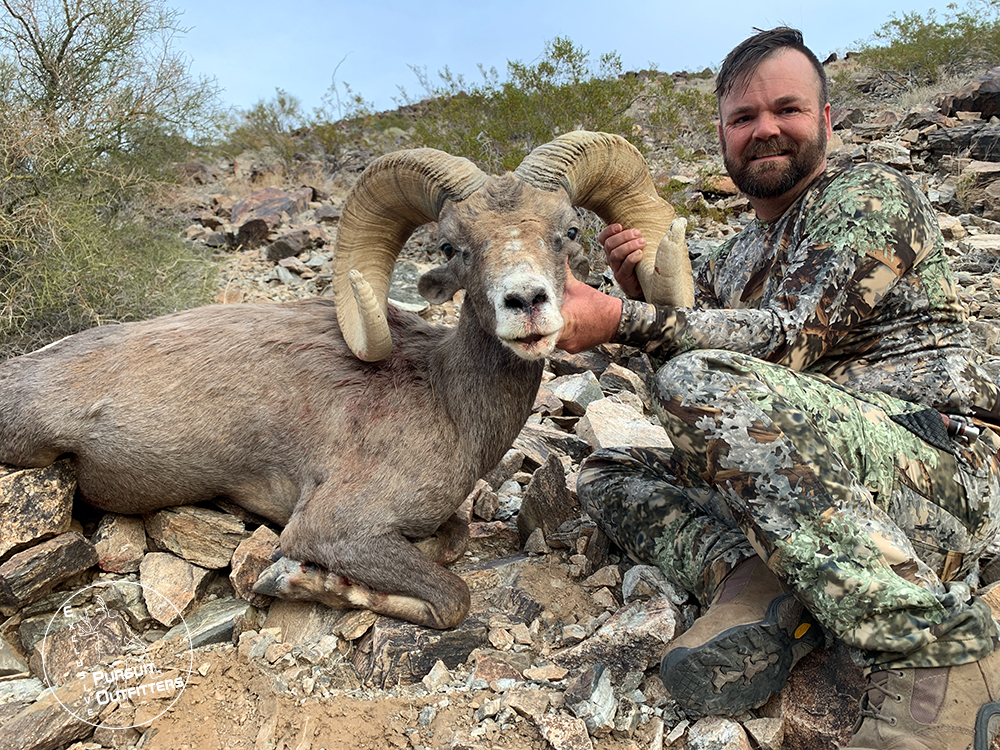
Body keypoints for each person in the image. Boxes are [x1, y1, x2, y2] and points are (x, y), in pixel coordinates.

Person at [557, 26, 1000, 750]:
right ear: (724, 137)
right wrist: (644, 295)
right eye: (743, 118)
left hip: (939, 469)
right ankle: (756, 580)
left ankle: (948, 652)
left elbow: (786, 339)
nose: (765, 129)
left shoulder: (870, 198)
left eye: (786, 109)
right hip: (812, 478)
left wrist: (623, 317)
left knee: (700, 376)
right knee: (609, 472)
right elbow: (687, 403)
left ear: (826, 120)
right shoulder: (735, 253)